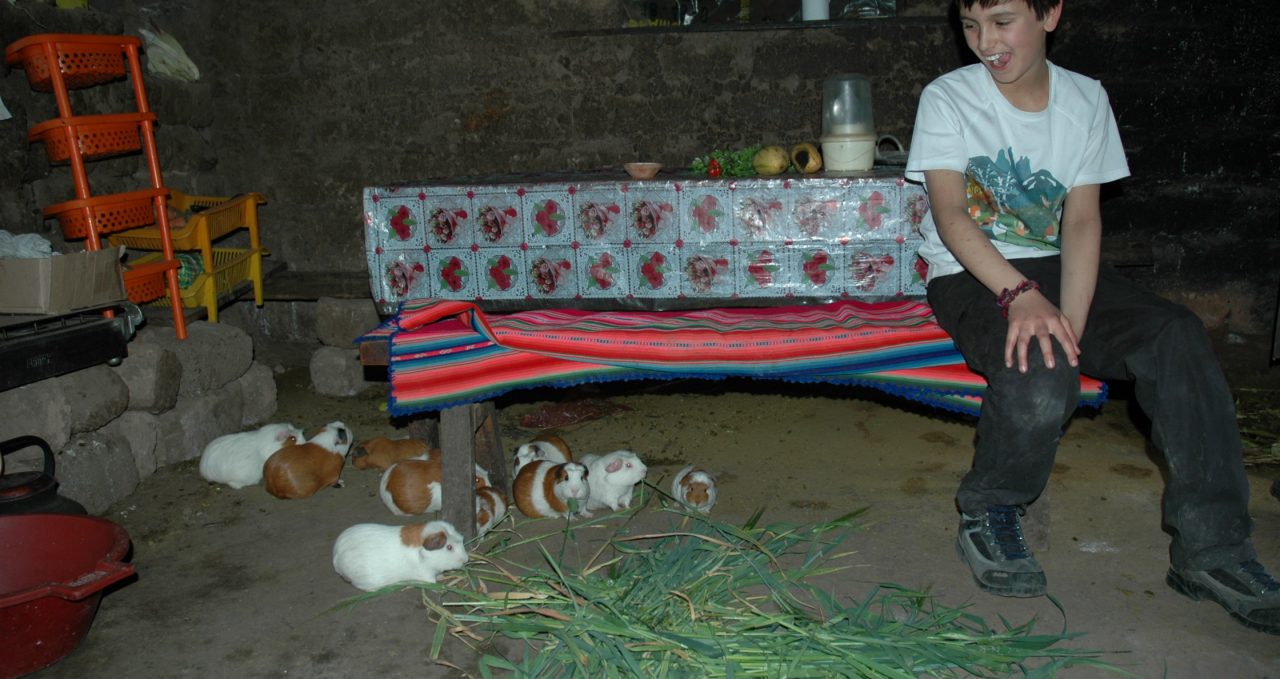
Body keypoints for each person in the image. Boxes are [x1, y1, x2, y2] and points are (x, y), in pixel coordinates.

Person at [904, 0, 1279, 634]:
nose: (983, 42)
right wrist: (1020, 295)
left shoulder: (1085, 100)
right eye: (969, 26)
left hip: (1063, 273)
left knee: (1176, 336)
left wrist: (1070, 322)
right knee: (1037, 362)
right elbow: (952, 216)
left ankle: (1214, 550)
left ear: (1050, 13)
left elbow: (1080, 220)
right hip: (974, 274)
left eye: (1001, 20)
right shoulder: (949, 97)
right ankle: (991, 510)